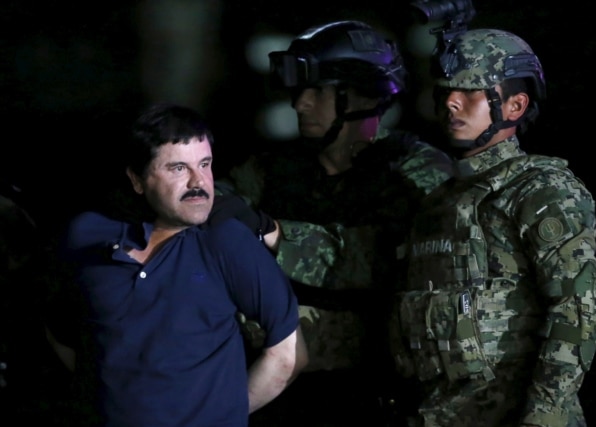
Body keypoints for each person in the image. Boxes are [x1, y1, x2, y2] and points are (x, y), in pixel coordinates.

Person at [214, 20, 453, 426]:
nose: (300, 104)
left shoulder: (416, 171)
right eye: (300, 90)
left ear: (359, 96)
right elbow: (215, 204)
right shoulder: (278, 169)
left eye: (318, 91)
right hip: (280, 385)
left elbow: (380, 259)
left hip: (372, 387)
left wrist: (274, 234)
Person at [388, 28, 596, 427]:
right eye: (446, 90)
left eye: (471, 90)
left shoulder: (539, 188)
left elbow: (578, 305)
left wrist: (546, 413)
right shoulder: (437, 203)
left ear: (515, 105)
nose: (451, 102)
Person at [44, 103, 308, 427]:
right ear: (137, 180)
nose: (200, 182)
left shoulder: (226, 241)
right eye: (178, 168)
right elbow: (59, 328)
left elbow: (289, 355)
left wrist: (219, 414)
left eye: (205, 164)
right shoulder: (87, 235)